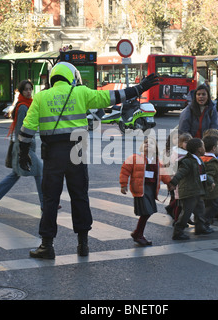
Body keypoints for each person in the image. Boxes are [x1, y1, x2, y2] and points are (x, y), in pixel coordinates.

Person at [18, 62, 159, 259]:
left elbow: (27, 128)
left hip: (52, 154)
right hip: (77, 152)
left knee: (50, 200)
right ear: (71, 76)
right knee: (80, 196)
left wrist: (23, 153)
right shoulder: (81, 92)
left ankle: (46, 246)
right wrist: (140, 88)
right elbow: (112, 97)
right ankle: (83, 244)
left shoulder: (41, 96)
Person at [0, 80, 43, 213]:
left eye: (30, 89)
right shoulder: (23, 107)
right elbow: (20, 128)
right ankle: (46, 203)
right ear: (21, 92)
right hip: (24, 146)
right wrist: (25, 147)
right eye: (26, 90)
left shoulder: (28, 104)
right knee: (40, 171)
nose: (28, 92)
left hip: (26, 145)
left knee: (15, 174)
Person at [119, 137, 171, 246]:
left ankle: (138, 233)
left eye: (151, 143)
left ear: (156, 148)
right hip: (141, 189)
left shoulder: (157, 161)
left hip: (151, 190)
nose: (147, 144)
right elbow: (125, 170)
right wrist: (123, 185)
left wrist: (170, 184)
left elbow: (164, 175)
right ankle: (138, 234)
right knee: (146, 212)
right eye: (145, 143)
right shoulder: (135, 158)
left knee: (148, 212)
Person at [168, 138, 213, 240]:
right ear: (198, 149)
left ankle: (200, 227)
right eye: (203, 146)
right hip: (189, 192)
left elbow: (203, 174)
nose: (204, 149)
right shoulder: (187, 161)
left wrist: (210, 181)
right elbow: (180, 173)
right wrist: (173, 183)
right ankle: (178, 232)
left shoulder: (199, 160)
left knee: (200, 210)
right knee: (186, 212)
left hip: (197, 190)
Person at [168, 132, 193, 223]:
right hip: (179, 182)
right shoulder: (178, 154)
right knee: (179, 202)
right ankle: (176, 220)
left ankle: (186, 218)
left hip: (188, 181)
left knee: (187, 202)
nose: (188, 144)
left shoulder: (189, 153)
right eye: (186, 142)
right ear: (179, 143)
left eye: (190, 142)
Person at [200, 135, 218, 227]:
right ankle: (204, 224)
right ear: (214, 148)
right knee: (212, 208)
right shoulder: (211, 161)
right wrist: (211, 184)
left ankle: (204, 223)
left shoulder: (202, 158)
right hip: (211, 191)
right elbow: (208, 176)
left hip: (206, 191)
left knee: (206, 207)